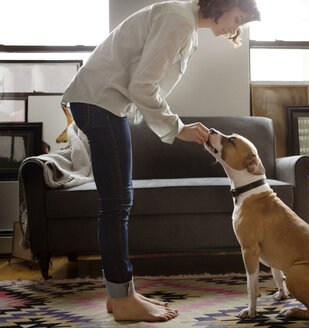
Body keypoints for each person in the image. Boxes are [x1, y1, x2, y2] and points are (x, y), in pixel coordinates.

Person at [61, 0, 260, 322]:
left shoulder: (183, 21)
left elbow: (142, 82)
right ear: (223, 3)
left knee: (118, 203)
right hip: (100, 102)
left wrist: (174, 125)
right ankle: (123, 299)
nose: (234, 30)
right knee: (116, 204)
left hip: (103, 103)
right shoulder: (178, 20)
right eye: (236, 19)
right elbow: (141, 85)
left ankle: (121, 294)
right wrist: (177, 127)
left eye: (240, 27)